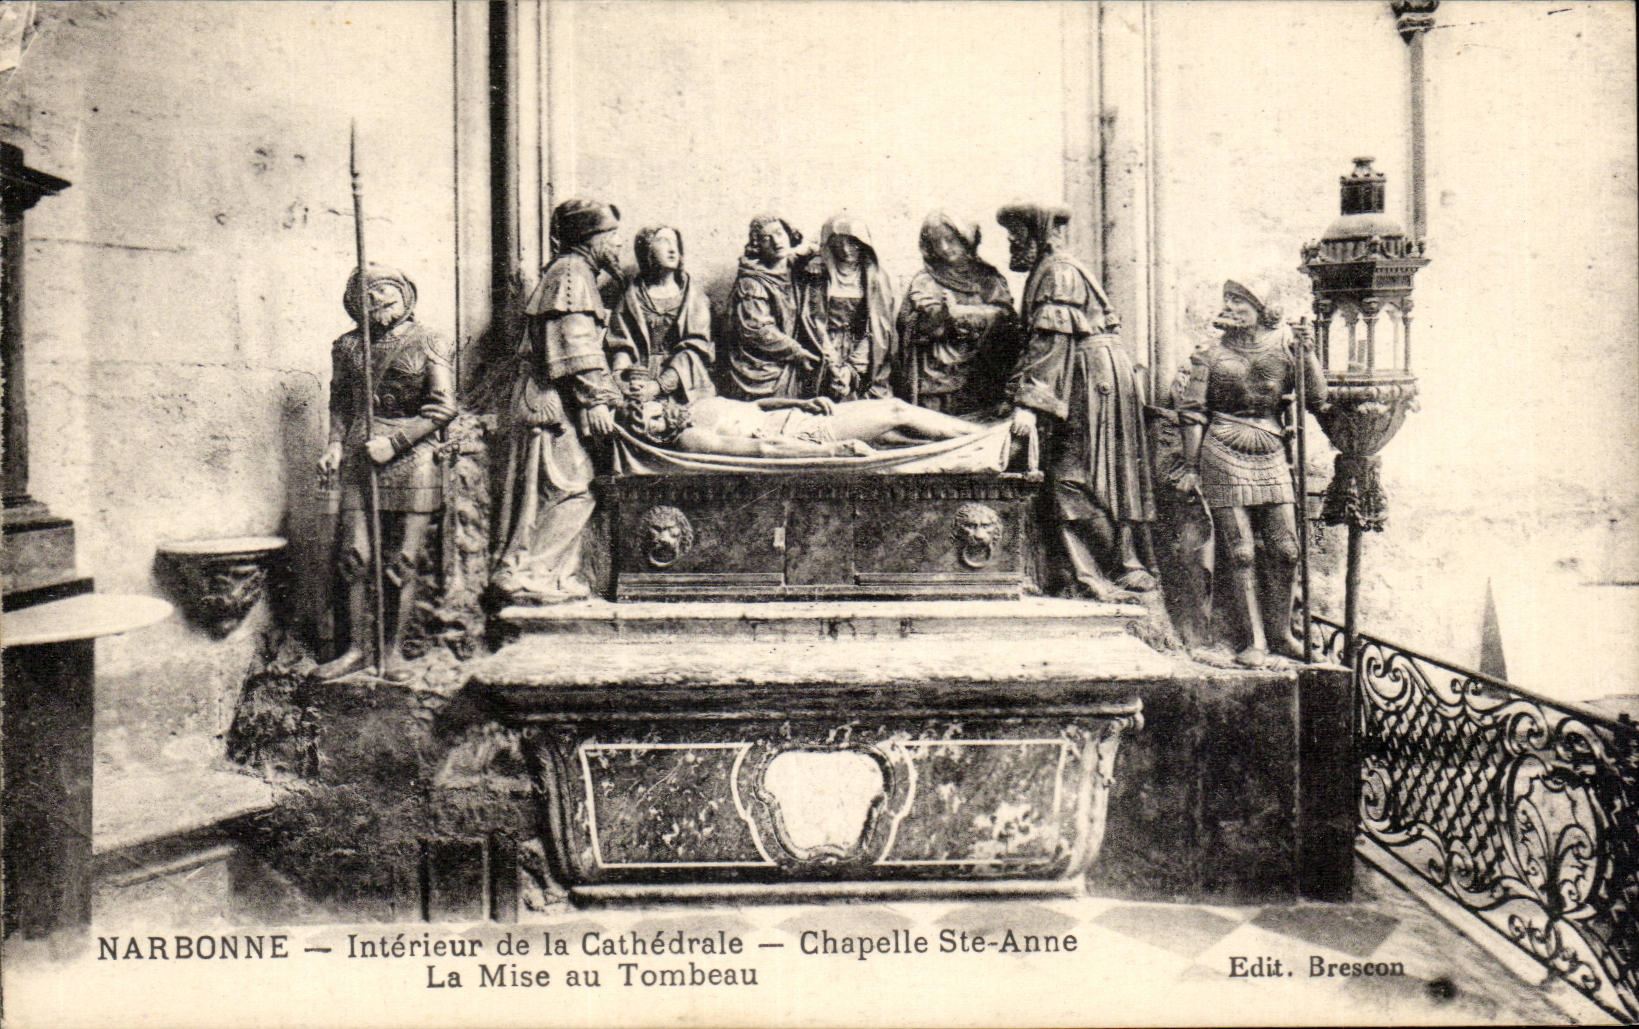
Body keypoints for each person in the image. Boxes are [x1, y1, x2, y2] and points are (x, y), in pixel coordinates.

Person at [998, 202, 1157, 603]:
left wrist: (1028, 405)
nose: (1012, 242)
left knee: (1072, 478)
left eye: (1017, 234)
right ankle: (1111, 565)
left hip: (1088, 378)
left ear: (1038, 233)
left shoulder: (1058, 272)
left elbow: (1052, 342)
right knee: (1091, 474)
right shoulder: (1054, 268)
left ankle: (1113, 568)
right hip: (1089, 374)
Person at [314, 264, 456, 681]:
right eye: (369, 295)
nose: (378, 302)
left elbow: (443, 407)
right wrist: (335, 444)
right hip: (360, 454)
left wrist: (394, 443)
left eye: (387, 293)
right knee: (353, 558)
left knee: (403, 560)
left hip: (413, 458)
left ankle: (392, 653)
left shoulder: (430, 340)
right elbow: (341, 402)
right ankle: (355, 650)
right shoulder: (347, 347)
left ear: (405, 295)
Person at [1176, 279, 1328, 666]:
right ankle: (1253, 640)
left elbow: (1318, 397)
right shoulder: (1209, 355)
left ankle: (1282, 634)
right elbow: (1193, 413)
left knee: (1287, 549)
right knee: (1241, 552)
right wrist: (1192, 467)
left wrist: (1307, 353)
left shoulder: (1284, 347)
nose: (1230, 306)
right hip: (1223, 449)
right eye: (1226, 299)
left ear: (1261, 309)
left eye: (1240, 300)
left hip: (1271, 449)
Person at [491, 198, 625, 604]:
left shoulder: (574, 272)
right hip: (553, 403)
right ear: (590, 238)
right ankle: (529, 573)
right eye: (612, 237)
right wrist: (596, 400)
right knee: (571, 488)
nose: (618, 246)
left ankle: (549, 573)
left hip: (556, 400)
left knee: (564, 489)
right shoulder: (570, 273)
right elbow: (574, 343)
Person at [621, 389, 979, 459]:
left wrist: (799, 401)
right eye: (651, 424)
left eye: (651, 410)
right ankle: (981, 437)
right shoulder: (690, 438)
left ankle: (976, 434)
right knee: (896, 416)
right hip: (803, 435)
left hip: (802, 416)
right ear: (656, 437)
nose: (659, 415)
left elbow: (754, 405)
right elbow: (762, 448)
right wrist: (829, 450)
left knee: (897, 414)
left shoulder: (695, 404)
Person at [895, 211, 1018, 415]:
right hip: (936, 379)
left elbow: (1007, 319)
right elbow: (911, 326)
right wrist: (940, 315)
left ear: (966, 239)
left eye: (950, 240)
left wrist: (962, 313)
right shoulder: (925, 281)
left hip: (981, 373)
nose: (944, 247)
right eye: (937, 242)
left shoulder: (989, 279)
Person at [606, 225, 716, 404]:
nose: (673, 249)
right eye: (664, 242)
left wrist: (659, 386)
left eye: (675, 244)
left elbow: (695, 349)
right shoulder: (632, 296)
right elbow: (622, 344)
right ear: (647, 249)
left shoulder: (694, 297)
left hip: (683, 383)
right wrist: (620, 378)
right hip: (637, 380)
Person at [795, 213, 898, 402]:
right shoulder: (818, 275)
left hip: (864, 352)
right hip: (824, 350)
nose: (845, 250)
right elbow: (813, 322)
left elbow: (878, 329)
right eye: (838, 243)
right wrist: (833, 365)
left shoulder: (876, 278)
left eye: (852, 243)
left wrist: (851, 370)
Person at [725, 214, 820, 400]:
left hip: (788, 359)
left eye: (779, 233)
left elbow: (808, 250)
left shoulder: (790, 266)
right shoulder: (752, 282)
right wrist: (796, 351)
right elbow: (758, 330)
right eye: (766, 238)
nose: (777, 241)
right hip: (761, 368)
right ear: (757, 245)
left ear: (789, 234)